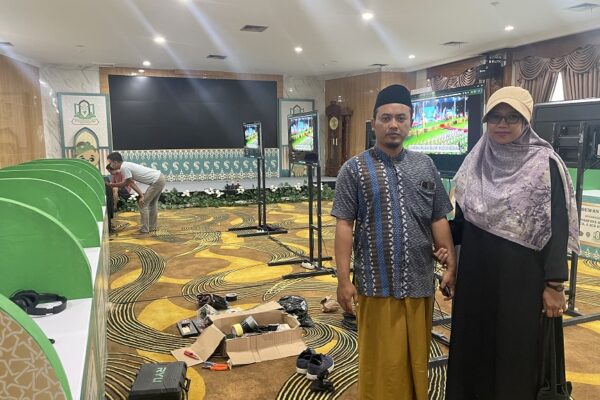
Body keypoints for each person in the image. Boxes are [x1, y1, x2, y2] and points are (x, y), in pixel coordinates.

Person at [445, 86, 580, 400]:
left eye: (512, 117)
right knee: (475, 346)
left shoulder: (545, 163)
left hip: (522, 278)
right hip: (477, 274)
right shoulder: (475, 161)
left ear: (526, 122)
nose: (502, 124)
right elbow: (463, 222)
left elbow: (557, 225)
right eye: (495, 117)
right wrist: (436, 235)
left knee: (515, 350)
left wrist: (554, 285)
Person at [332, 84, 457, 400]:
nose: (393, 125)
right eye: (386, 118)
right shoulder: (354, 169)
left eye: (401, 118)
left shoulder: (425, 165)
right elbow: (344, 225)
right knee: (381, 363)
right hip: (376, 283)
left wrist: (450, 264)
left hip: (419, 281)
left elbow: (438, 217)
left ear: (411, 122)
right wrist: (343, 280)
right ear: (373, 122)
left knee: (416, 358)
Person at [106, 152, 166, 233]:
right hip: (160, 178)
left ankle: (145, 229)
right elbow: (130, 183)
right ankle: (152, 227)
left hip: (157, 181)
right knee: (152, 204)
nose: (110, 165)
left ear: (115, 162)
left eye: (110, 163)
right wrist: (141, 195)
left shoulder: (124, 167)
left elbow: (126, 183)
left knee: (143, 204)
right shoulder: (125, 165)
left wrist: (111, 185)